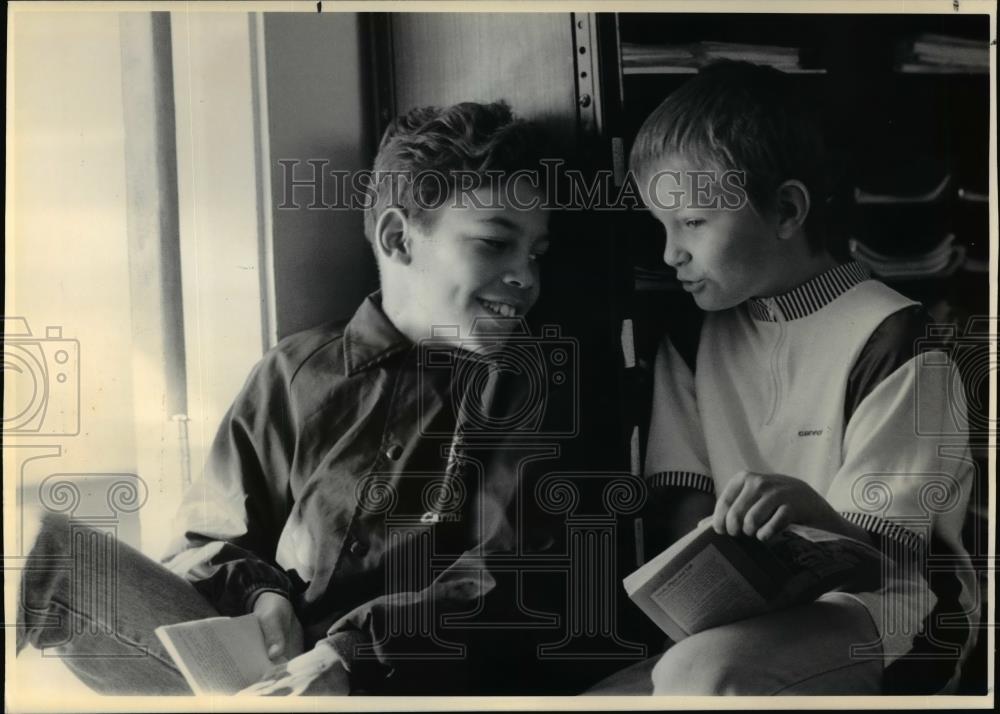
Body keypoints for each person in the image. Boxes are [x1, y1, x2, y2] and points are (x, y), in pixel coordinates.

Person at [17, 100, 558, 695]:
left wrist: (350, 655)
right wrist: (261, 592)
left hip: (395, 677)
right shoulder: (293, 373)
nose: (525, 277)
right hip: (265, 669)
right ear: (399, 237)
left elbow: (506, 569)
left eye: (536, 253)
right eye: (493, 243)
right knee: (60, 563)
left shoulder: (519, 388)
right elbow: (207, 539)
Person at [592, 61, 977, 695]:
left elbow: (893, 556)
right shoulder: (691, 335)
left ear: (788, 209)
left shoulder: (893, 338)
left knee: (700, 675)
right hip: (748, 619)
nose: (670, 254)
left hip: (889, 614)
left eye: (692, 222)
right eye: (661, 227)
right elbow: (687, 503)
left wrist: (811, 511)